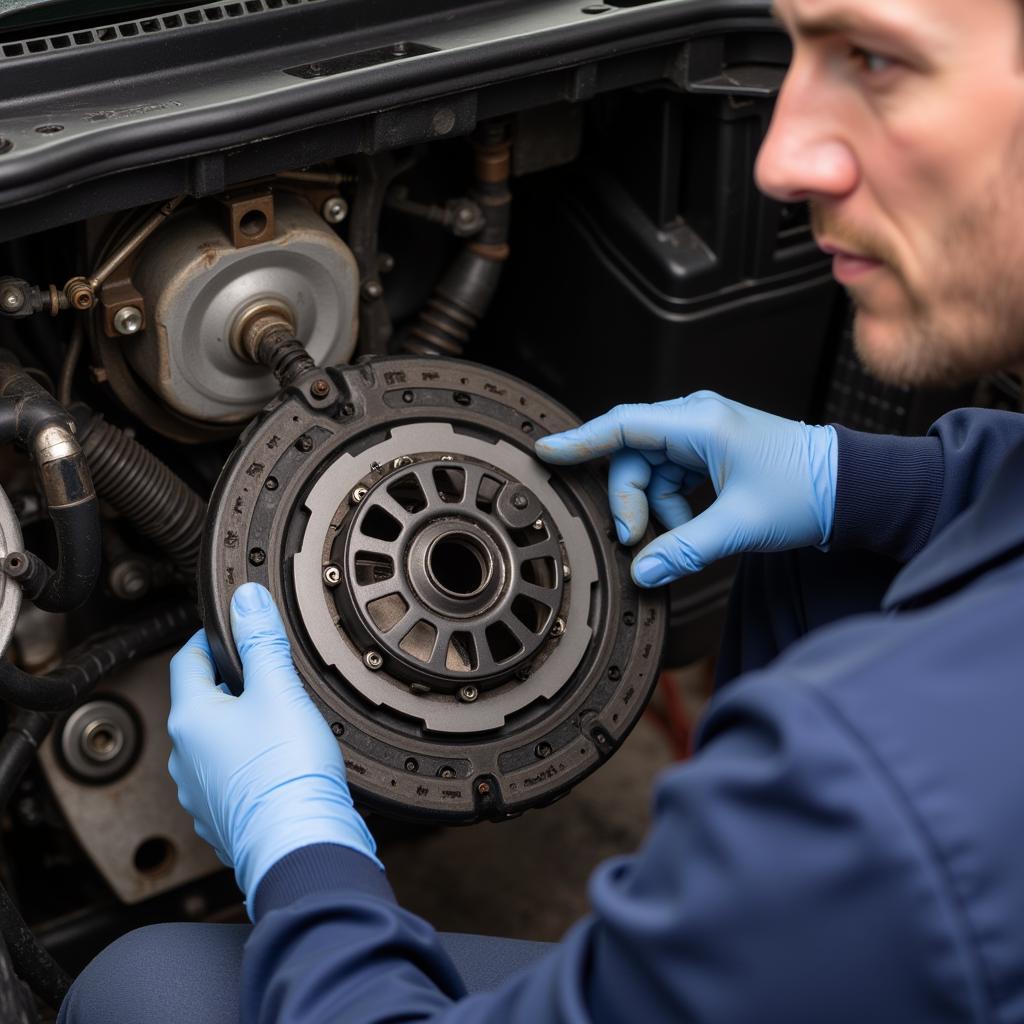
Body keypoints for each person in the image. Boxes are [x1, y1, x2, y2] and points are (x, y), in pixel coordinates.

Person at [60, 0, 1024, 1020]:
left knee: (143, 989)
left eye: (874, 60)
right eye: (798, 48)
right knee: (827, 556)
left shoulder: (882, 790)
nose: (782, 157)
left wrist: (295, 844)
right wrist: (866, 479)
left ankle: (719, 931)